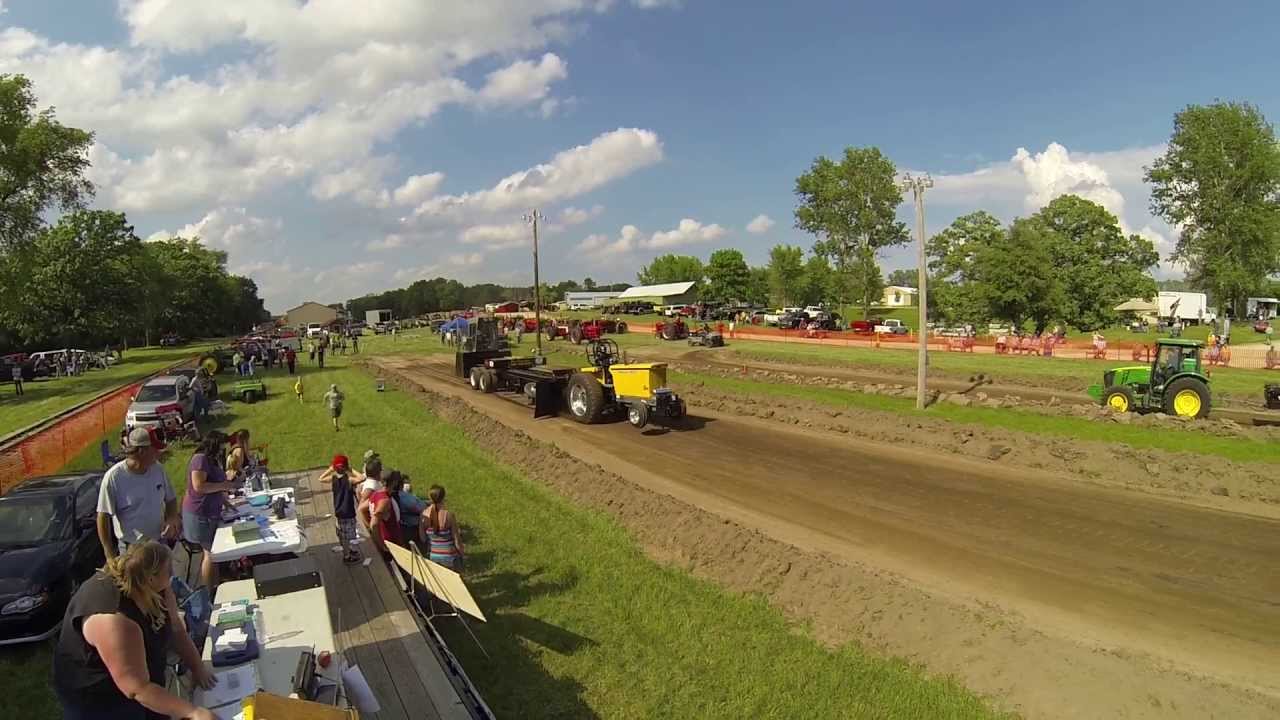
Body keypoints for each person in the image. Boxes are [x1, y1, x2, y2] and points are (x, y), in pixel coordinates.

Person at [52, 541, 217, 720]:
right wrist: (192, 712)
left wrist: (197, 667)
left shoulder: (154, 584)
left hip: (141, 676)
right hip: (97, 695)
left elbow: (176, 629)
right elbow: (137, 689)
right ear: (151, 578)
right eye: (168, 570)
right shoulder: (116, 621)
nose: (172, 574)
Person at [97, 427, 178, 561]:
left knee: (167, 575)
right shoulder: (114, 477)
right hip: (131, 550)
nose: (158, 453)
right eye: (155, 449)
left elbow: (171, 499)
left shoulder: (158, 469)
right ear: (142, 451)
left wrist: (171, 518)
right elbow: (103, 516)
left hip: (159, 543)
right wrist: (109, 553)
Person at [182, 432, 239, 590]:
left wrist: (225, 502)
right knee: (210, 554)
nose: (222, 450)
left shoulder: (210, 460)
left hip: (210, 511)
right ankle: (209, 590)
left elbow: (213, 485)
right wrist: (224, 486)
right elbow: (199, 486)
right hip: (200, 513)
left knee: (214, 552)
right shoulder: (199, 459)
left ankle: (216, 585)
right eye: (221, 446)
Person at [319, 456, 364, 564]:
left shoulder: (333, 478)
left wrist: (330, 469)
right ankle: (347, 556)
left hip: (339, 512)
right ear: (346, 467)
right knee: (347, 536)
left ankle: (347, 551)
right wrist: (350, 469)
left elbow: (321, 478)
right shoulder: (349, 480)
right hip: (348, 512)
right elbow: (362, 478)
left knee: (343, 534)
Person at [421, 485, 463, 570]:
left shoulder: (423, 515)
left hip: (434, 556)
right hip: (450, 557)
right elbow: (457, 540)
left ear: (430, 498)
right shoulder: (449, 515)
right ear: (443, 497)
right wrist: (461, 553)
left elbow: (423, 538)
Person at [367, 470, 405, 559]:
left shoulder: (376, 494)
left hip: (389, 541)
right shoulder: (384, 501)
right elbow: (374, 524)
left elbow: (362, 509)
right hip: (391, 544)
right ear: (394, 482)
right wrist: (383, 546)